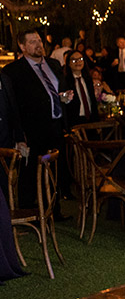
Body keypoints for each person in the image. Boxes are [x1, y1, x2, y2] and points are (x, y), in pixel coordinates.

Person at [1, 29, 73, 218]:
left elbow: (57, 91)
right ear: (22, 46)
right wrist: (19, 134)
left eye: (39, 40)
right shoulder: (13, 71)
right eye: (32, 42)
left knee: (54, 170)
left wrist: (64, 98)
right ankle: (28, 213)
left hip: (55, 126)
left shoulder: (54, 64)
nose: (38, 44)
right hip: (31, 131)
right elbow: (13, 106)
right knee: (30, 173)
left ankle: (54, 210)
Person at [63, 51, 100, 130]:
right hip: (75, 121)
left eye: (80, 59)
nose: (78, 62)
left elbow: (92, 100)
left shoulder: (87, 79)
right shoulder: (65, 81)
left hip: (91, 119)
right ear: (68, 63)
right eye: (74, 60)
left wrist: (97, 121)